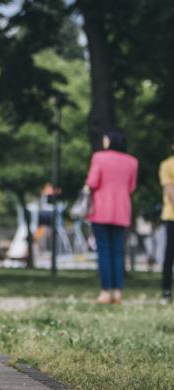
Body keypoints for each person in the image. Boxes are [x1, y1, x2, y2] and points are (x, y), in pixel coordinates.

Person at [86, 129, 139, 305]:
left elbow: (93, 182)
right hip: (123, 211)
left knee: (104, 252)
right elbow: (131, 187)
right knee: (117, 252)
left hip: (101, 210)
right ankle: (117, 293)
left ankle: (105, 292)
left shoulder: (99, 157)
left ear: (110, 141)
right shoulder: (132, 162)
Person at [159, 135, 174, 304]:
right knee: (169, 254)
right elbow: (170, 193)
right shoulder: (167, 165)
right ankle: (166, 291)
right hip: (172, 216)